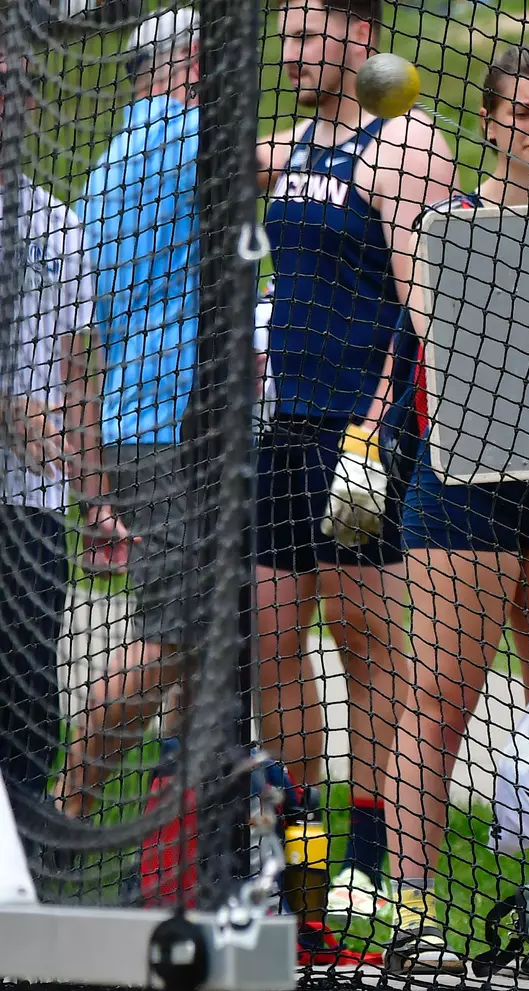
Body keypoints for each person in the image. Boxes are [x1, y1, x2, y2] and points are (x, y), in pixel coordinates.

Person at [382, 45, 529, 974]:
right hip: (464, 482)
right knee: (440, 698)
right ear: (489, 122)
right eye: (522, 112)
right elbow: (437, 336)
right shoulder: (447, 225)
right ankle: (411, 913)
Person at [257, 0, 456, 932]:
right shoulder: (296, 143)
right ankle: (297, 864)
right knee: (269, 640)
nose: (290, 54)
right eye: (285, 38)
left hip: (359, 429)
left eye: (307, 37)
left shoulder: (404, 146)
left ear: (360, 37)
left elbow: (422, 304)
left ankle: (370, 862)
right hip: (283, 425)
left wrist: (374, 434)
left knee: (363, 640)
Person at [55, 8, 202, 820]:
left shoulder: (108, 165)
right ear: (192, 64)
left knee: (213, 632)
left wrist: (96, 483)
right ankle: (68, 810)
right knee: (176, 630)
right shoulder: (190, 142)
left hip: (140, 425)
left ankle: (179, 821)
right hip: (170, 424)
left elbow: (85, 341)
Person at [0, 48, 101, 820]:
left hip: (30, 503)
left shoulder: (57, 225)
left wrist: (93, 494)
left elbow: (77, 369)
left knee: (28, 688)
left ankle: (25, 857)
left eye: (15, 89)